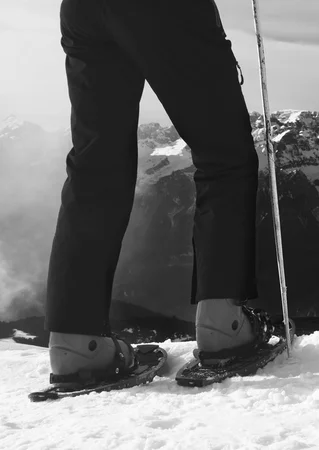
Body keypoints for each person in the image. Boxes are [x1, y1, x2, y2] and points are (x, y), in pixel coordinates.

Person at [46, 0, 270, 384]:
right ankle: (223, 325)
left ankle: (76, 344)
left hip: (81, 10)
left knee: (94, 168)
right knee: (224, 155)